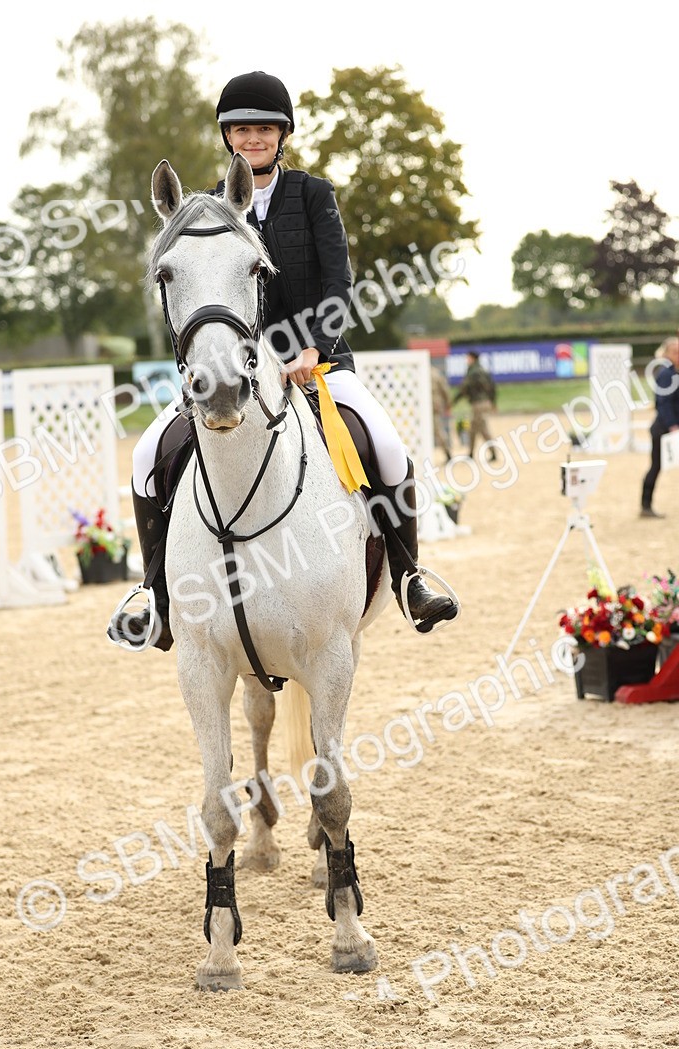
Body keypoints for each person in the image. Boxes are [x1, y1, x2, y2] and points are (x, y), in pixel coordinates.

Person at [109, 70, 456, 651]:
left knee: (388, 447)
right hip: (231, 369)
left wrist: (314, 345)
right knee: (148, 454)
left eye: (264, 129)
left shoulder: (314, 195)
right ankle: (156, 596)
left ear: (282, 135)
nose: (253, 138)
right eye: (241, 129)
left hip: (318, 363)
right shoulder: (206, 210)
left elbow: (338, 280)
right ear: (227, 137)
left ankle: (408, 577)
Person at [640, 336, 679, 518]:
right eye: (676, 352)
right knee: (656, 466)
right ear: (667, 355)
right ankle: (645, 505)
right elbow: (663, 404)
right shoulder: (666, 375)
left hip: (673, 428)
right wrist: (673, 426)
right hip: (664, 430)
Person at [452, 350, 497, 460]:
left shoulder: (473, 372)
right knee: (474, 429)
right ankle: (471, 453)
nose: (467, 360)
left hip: (478, 404)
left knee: (482, 429)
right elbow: (492, 387)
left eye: (468, 358)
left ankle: (492, 453)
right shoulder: (483, 370)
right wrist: (493, 402)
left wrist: (454, 401)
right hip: (485, 402)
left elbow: (464, 388)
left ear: (472, 358)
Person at [430, 365, 452, 460]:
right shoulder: (436, 373)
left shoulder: (419, 371)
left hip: (430, 405)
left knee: (438, 430)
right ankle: (447, 452)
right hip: (435, 404)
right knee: (439, 430)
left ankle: (447, 453)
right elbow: (445, 389)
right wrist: (448, 403)